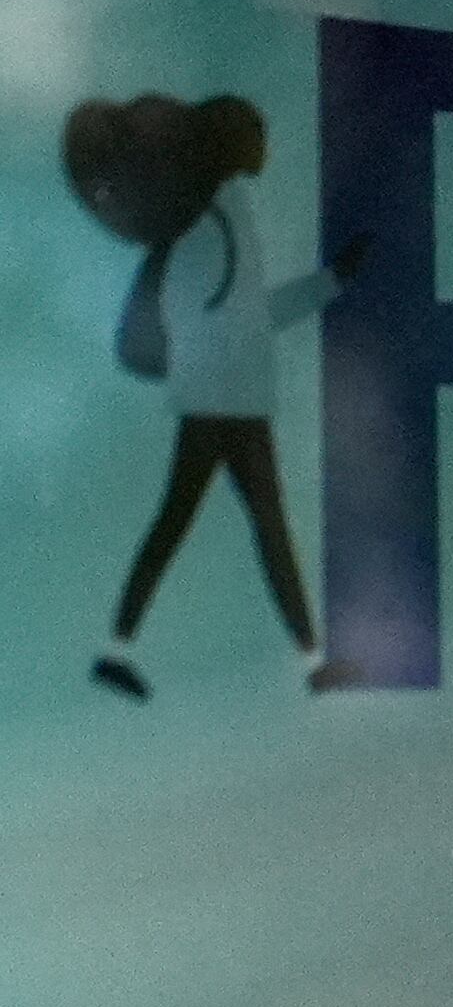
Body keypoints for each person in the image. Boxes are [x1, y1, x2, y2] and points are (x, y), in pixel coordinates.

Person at [66, 94, 362, 698]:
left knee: (199, 523)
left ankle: (122, 650)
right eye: (256, 131)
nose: (264, 142)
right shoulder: (211, 222)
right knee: (247, 526)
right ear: (231, 143)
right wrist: (327, 284)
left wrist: (330, 282)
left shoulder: (222, 212)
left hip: (227, 400)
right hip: (224, 404)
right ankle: (310, 663)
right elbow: (225, 317)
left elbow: (240, 315)